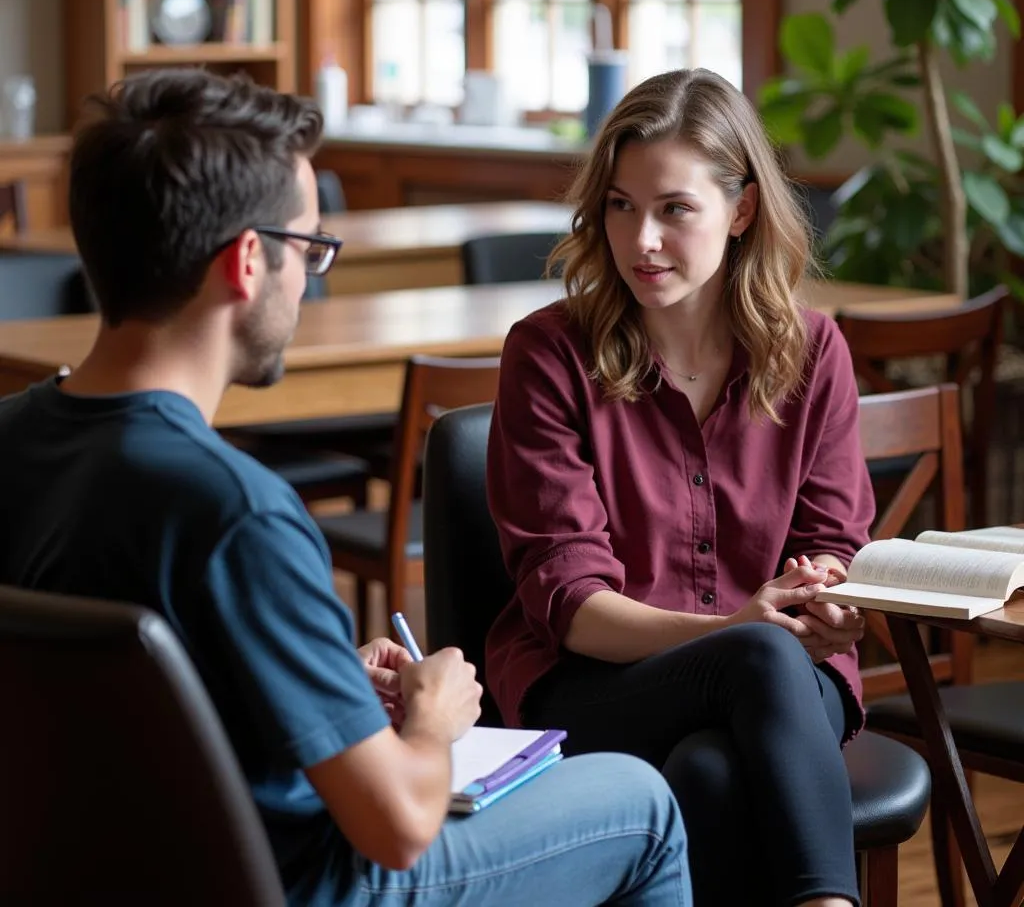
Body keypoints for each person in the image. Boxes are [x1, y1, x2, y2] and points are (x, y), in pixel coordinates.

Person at [0, 68, 693, 907]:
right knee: (641, 802)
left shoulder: (15, 436)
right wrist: (435, 716)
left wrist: (319, 677)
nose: (307, 277)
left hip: (93, 873)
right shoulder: (238, 515)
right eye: (310, 249)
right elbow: (398, 827)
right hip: (298, 883)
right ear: (249, 262)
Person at [486, 67, 875, 907]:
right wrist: (732, 627)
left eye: (674, 209)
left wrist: (831, 596)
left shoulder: (816, 354)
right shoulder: (549, 355)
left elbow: (836, 545)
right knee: (755, 657)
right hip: (598, 683)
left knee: (712, 763)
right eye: (621, 206)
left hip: (786, 678)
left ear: (740, 212)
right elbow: (570, 603)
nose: (642, 240)